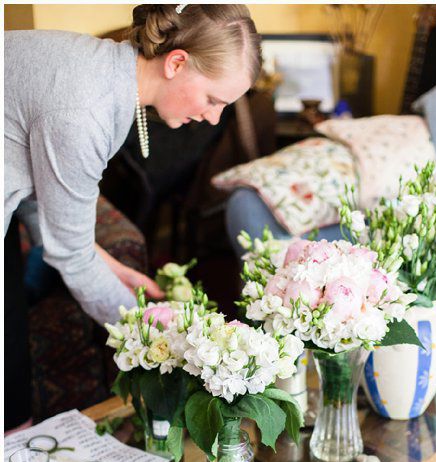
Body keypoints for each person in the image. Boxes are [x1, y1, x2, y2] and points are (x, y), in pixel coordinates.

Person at [4, 4, 260, 429]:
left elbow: (39, 195)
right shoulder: (85, 111)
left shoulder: (103, 68)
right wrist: (170, 343)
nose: (213, 117)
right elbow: (71, 257)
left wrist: (117, 269)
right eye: (214, 100)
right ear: (176, 63)